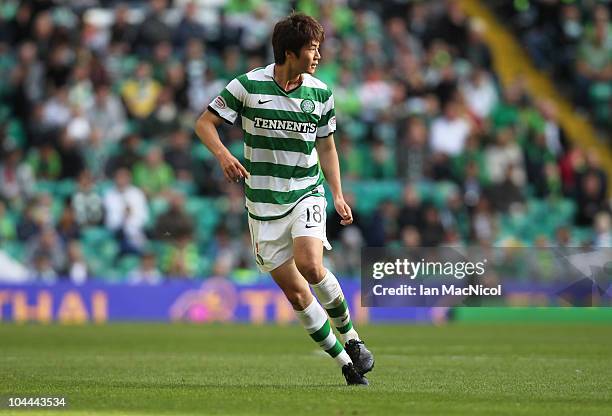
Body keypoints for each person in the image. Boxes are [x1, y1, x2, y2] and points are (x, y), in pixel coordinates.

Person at [195, 12, 374, 386]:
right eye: (312, 48)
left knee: (310, 265)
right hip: (262, 205)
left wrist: (337, 193)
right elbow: (204, 123)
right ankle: (345, 363)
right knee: (295, 295)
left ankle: (354, 339)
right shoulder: (247, 87)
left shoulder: (321, 94)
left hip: (305, 192)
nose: (319, 55)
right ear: (290, 52)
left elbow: (326, 145)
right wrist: (225, 156)